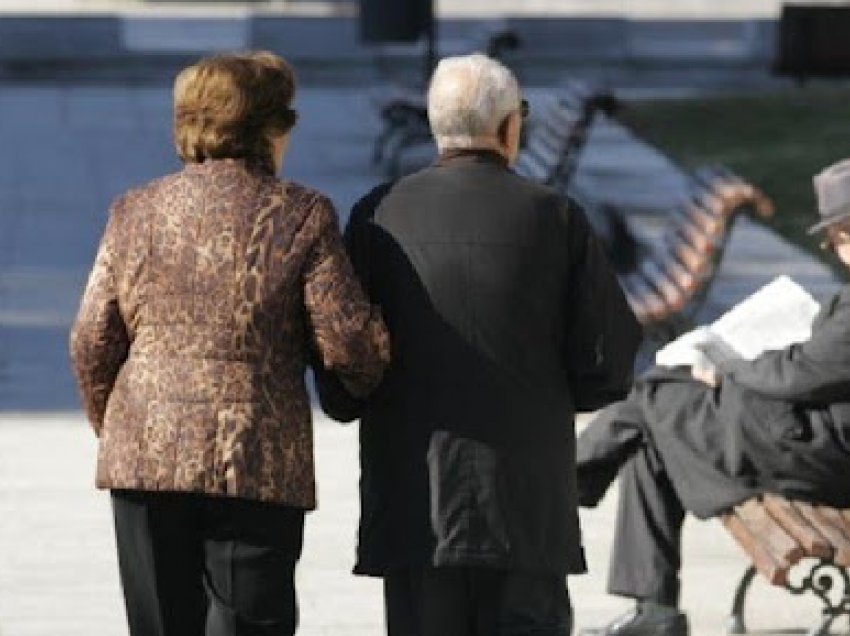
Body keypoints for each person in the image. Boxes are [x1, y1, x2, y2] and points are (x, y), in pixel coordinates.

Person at [316, 53, 642, 636]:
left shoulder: (377, 215)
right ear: (510, 127)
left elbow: (343, 369)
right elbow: (607, 366)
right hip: (525, 506)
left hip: (416, 505)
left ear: (439, 125)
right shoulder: (555, 217)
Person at [69, 51, 389, 636]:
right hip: (255, 459)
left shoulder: (134, 210)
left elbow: (92, 337)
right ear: (269, 129)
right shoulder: (300, 214)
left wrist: (114, 423)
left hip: (145, 453)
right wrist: (367, 377)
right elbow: (346, 341)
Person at [576, 159, 850, 636]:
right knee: (653, 428)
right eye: (834, 240)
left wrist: (729, 367)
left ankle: (563, 479)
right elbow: (813, 364)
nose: (838, 250)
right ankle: (655, 611)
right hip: (813, 435)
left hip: (822, 451)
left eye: (840, 236)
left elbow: (799, 373)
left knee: (655, 396)